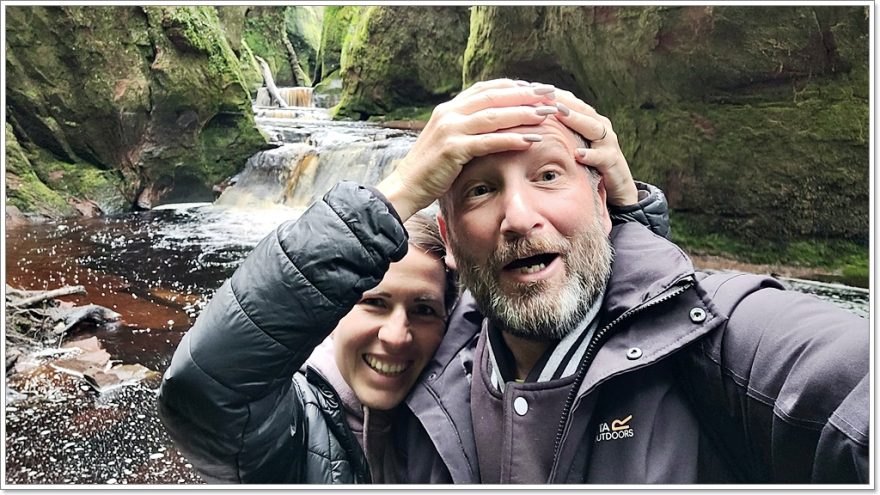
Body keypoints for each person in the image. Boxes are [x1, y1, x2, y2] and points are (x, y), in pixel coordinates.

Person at [156, 79, 671, 483]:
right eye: (374, 303)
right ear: (332, 311)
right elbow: (206, 388)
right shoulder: (295, 429)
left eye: (423, 310)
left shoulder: (463, 412)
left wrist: (619, 217)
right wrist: (398, 190)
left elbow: (587, 321)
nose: (396, 336)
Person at [375, 79, 870, 483]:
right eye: (481, 190)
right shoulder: (413, 365)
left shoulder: (728, 340)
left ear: (604, 203)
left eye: (548, 175)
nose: (520, 218)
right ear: (449, 238)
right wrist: (386, 203)